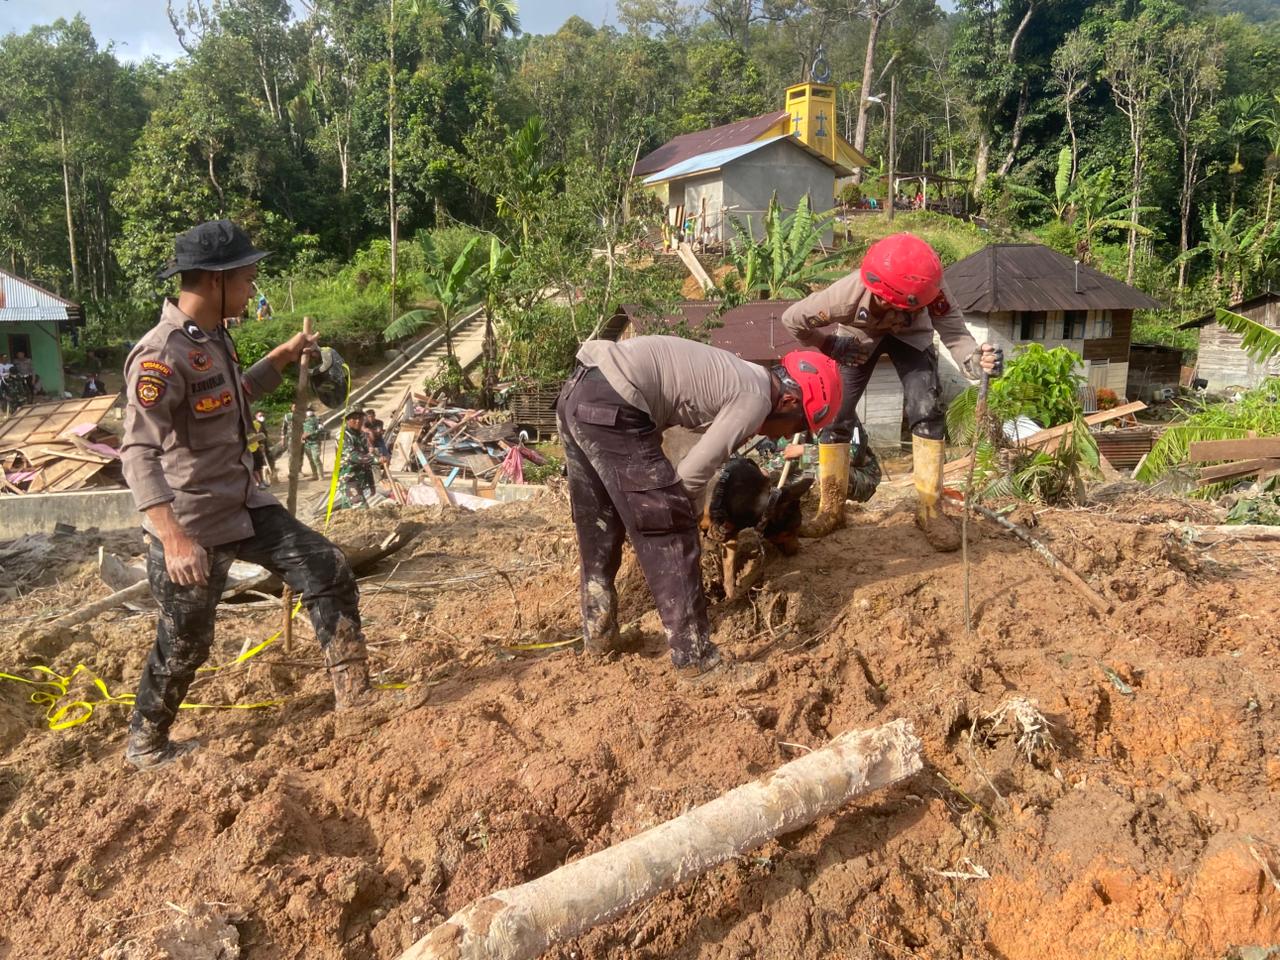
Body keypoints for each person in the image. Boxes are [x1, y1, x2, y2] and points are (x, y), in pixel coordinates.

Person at [119, 219, 375, 771]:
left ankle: (357, 700)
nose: (253, 287)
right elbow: (136, 452)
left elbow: (236, 394)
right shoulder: (160, 355)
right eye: (247, 277)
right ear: (215, 280)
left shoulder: (212, 338)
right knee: (186, 641)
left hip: (244, 505)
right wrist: (173, 539)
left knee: (325, 566)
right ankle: (146, 742)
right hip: (192, 524)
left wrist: (282, 356)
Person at [558, 335, 842, 678]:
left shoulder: (744, 375)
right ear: (788, 400)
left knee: (599, 525)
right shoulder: (755, 398)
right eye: (798, 425)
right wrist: (685, 519)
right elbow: (691, 476)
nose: (784, 437)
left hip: (580, 392)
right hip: (616, 403)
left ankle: (600, 635)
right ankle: (697, 662)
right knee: (671, 522)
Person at [781, 232, 1002, 551]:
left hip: (914, 340)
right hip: (857, 340)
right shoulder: (845, 297)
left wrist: (974, 360)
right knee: (835, 416)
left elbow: (955, 333)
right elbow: (792, 319)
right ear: (880, 297)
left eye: (911, 310)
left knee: (926, 410)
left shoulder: (930, 289)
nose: (900, 319)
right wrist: (829, 344)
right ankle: (831, 509)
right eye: (899, 310)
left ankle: (930, 511)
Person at [338, 408, 378, 508]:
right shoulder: (343, 436)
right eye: (354, 418)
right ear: (347, 420)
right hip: (349, 479)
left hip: (361, 479)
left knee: (348, 510)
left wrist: (371, 484)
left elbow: (366, 460)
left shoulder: (361, 435)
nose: (358, 421)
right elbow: (353, 456)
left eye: (360, 418)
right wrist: (376, 459)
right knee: (362, 509)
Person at [248, 411, 275, 487]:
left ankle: (262, 481)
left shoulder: (256, 424)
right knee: (254, 467)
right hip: (248, 450)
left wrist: (261, 444)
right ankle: (259, 482)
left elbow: (260, 436)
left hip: (256, 447)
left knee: (259, 465)